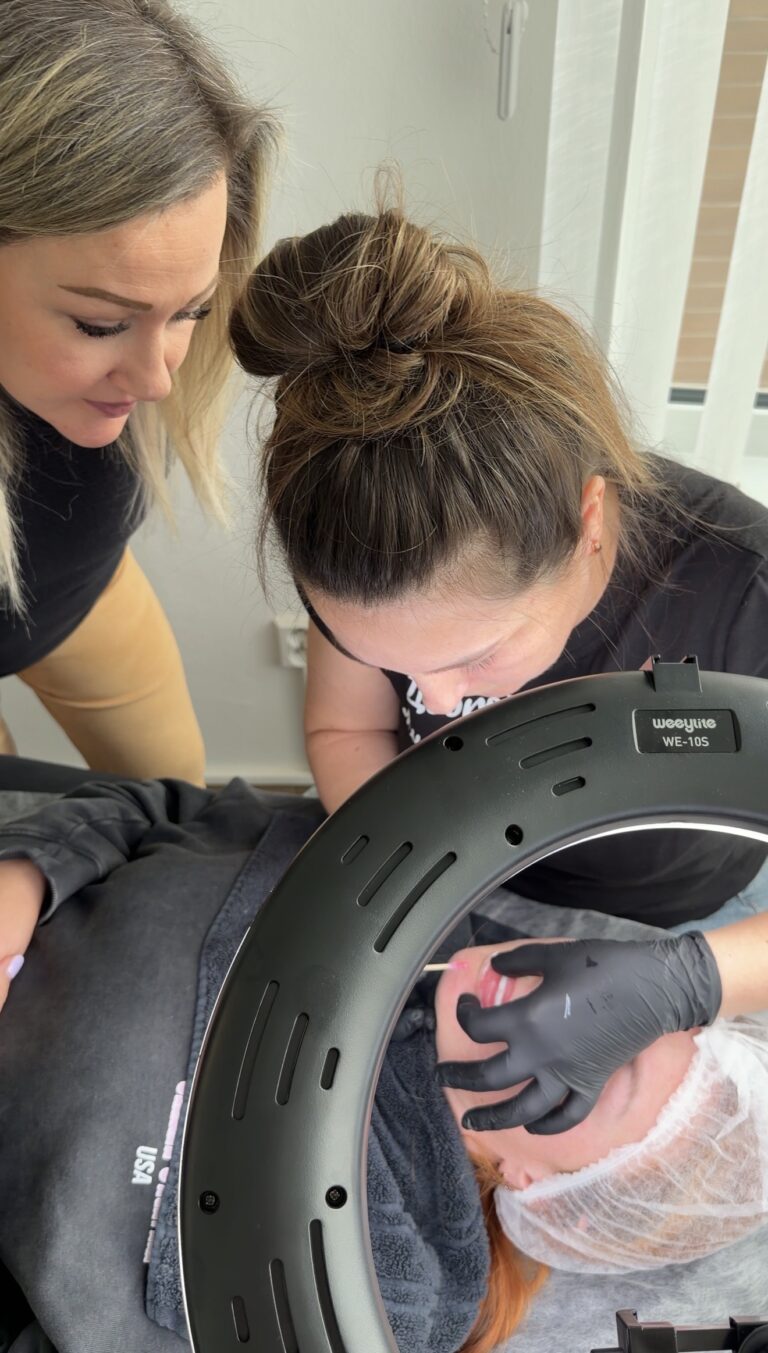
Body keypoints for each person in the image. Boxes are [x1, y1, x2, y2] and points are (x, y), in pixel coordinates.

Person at [226, 196, 768, 1134]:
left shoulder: (744, 591)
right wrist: (421, 889)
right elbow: (348, 726)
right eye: (386, 660)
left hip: (680, 924)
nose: (436, 706)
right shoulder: (365, 547)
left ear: (588, 524)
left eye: (477, 654)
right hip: (467, 888)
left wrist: (691, 978)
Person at [0, 771, 766, 1353]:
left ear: (541, 1186)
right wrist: (21, 880)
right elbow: (154, 809)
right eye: (621, 999)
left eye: (611, 1072)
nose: (574, 1008)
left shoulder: (359, 1291)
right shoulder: (400, 873)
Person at [0, 0, 277, 783]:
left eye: (191, 311)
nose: (158, 382)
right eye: (100, 324)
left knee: (179, 799)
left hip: (83, 592)